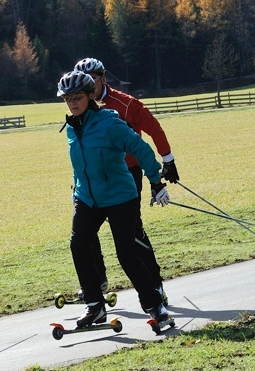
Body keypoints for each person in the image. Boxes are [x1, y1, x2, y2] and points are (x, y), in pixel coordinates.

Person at [58, 70, 172, 328]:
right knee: (79, 245)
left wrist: (156, 181)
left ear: (90, 96)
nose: (72, 103)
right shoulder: (72, 128)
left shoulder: (110, 123)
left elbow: (141, 149)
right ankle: (95, 306)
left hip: (120, 196)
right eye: (67, 99)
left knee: (126, 253)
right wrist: (78, 189)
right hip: (88, 197)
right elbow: (82, 164)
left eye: (77, 97)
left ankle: (156, 306)